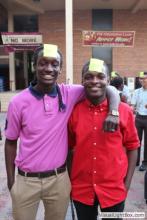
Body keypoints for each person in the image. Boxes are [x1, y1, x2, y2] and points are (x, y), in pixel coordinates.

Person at [4, 44, 120, 220]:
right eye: (43, 63)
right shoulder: (17, 103)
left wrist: (113, 112)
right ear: (34, 65)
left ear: (60, 69)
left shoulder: (69, 93)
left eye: (54, 64)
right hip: (26, 181)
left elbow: (107, 87)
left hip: (59, 180)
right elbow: (10, 142)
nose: (49, 68)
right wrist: (11, 182)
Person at [68, 58, 139, 220]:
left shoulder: (124, 111)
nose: (95, 81)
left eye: (100, 76)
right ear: (82, 81)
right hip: (82, 189)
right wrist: (71, 182)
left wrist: (126, 185)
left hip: (114, 190)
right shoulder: (74, 112)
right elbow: (69, 149)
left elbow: (133, 147)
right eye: (89, 76)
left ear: (108, 80)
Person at [131, 71, 147, 171]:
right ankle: (135, 161)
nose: (142, 80)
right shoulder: (137, 91)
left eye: (144, 79)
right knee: (136, 141)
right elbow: (132, 105)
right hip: (138, 118)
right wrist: (132, 108)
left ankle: (145, 163)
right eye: (141, 79)